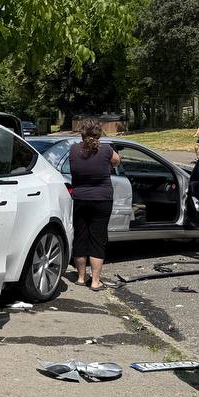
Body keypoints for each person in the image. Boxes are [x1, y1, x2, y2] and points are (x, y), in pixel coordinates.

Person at [69, 119, 121, 292]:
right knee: (97, 239)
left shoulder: (74, 149)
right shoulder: (106, 150)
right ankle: (95, 281)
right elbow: (117, 161)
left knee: (80, 237)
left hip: (80, 199)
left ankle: (81, 277)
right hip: (102, 199)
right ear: (99, 134)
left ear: (82, 133)